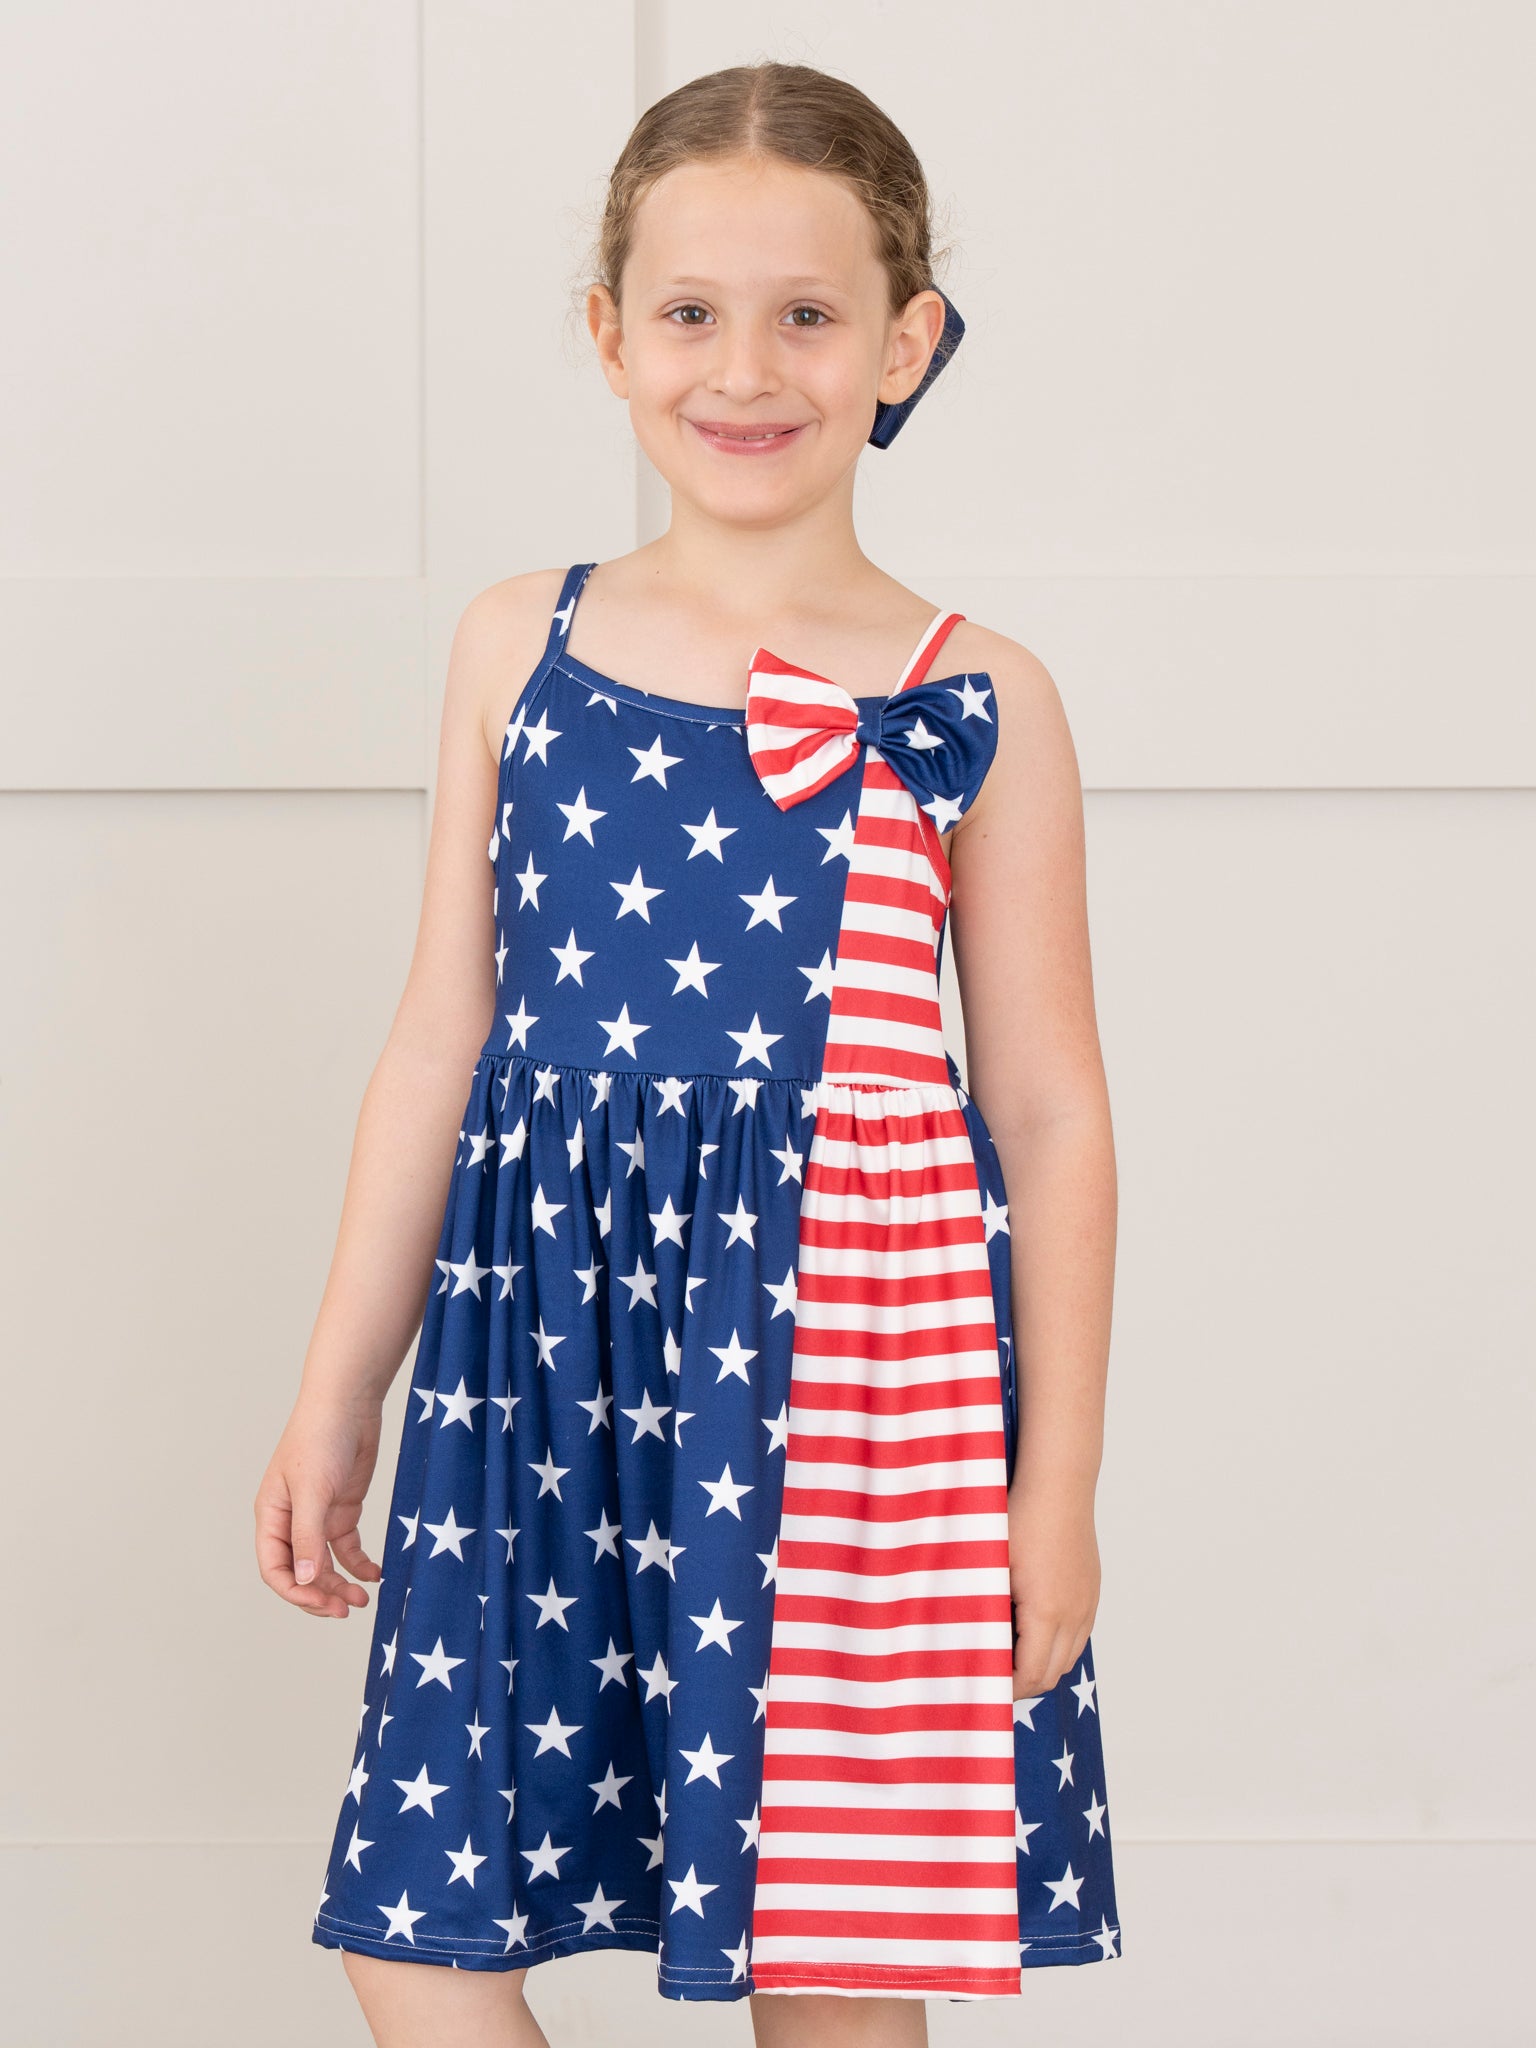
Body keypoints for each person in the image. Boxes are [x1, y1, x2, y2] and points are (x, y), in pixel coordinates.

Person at [255, 58, 1123, 2048]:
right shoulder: (519, 639)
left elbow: (1052, 1110)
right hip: (536, 1365)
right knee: (421, 1933)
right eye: (690, 313)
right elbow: (440, 1034)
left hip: (851, 1391)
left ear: (905, 343)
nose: (744, 369)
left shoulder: (977, 694)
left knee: (826, 1956)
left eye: (808, 314)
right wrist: (338, 1390)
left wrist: (1055, 1488)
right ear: (607, 335)